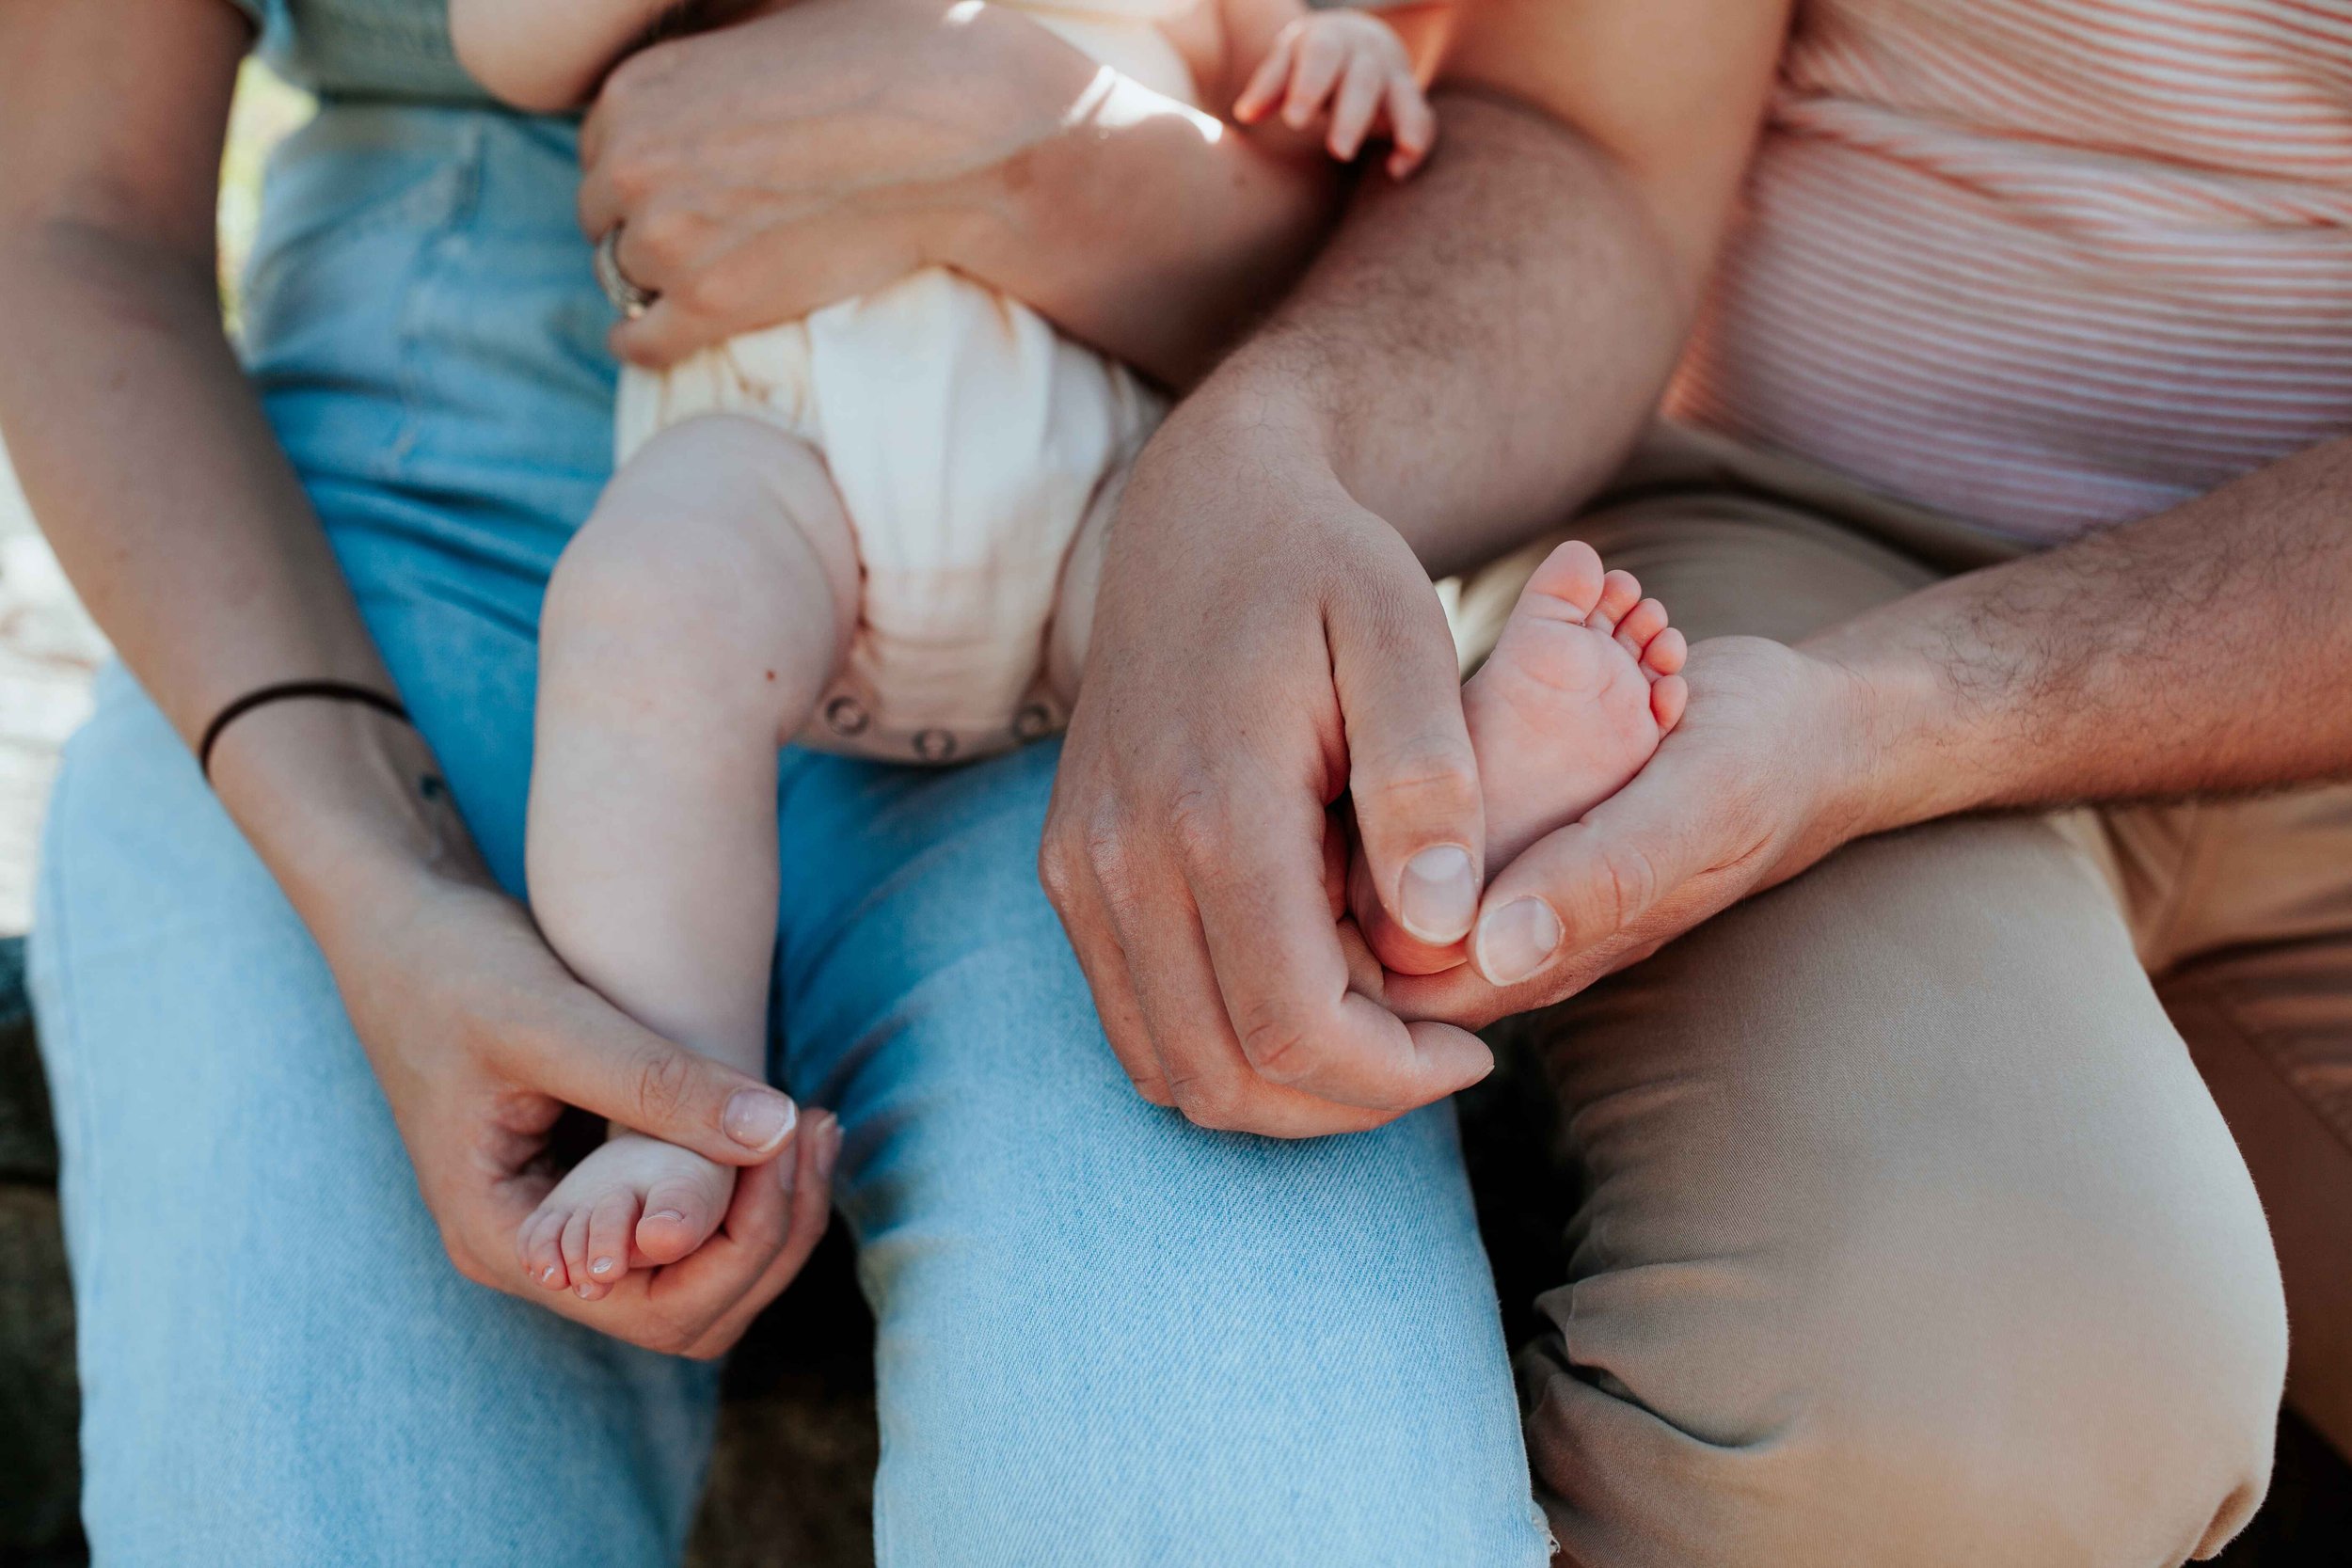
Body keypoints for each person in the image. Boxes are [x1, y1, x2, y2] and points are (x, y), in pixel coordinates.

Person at [0, 0, 1565, 1560]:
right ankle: (670, 1098)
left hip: (1111, 472)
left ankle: (1452, 812)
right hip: (564, 511)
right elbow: (108, 202)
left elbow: (1359, 111)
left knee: (1259, 1501)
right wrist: (372, 879)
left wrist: (1234, 97)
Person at [1041, 0, 2351, 1559]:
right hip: (1798, 557)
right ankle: (1502, 818)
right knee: (1968, 1408)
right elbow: (1589, 139)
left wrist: (1890, 728)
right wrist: (1271, 448)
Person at [437, 0, 1666, 1302]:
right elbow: (508, 39)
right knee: (642, 619)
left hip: (1112, 506)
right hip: (781, 480)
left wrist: (1339, 62)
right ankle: (669, 1101)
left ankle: (1443, 808)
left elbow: (1293, 123)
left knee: (1261, 640)